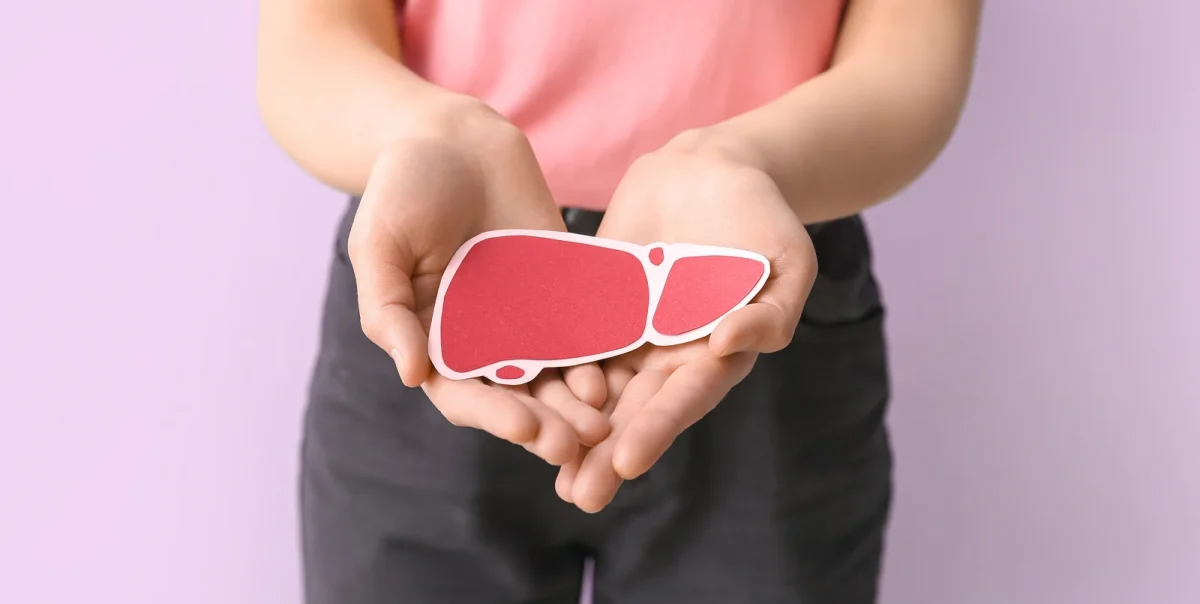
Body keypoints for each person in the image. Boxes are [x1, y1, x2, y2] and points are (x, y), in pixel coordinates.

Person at [257, 0, 980, 602]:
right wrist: (433, 136)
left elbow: (909, 62)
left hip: (753, 282)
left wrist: (744, 161)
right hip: (440, 268)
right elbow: (310, 40)